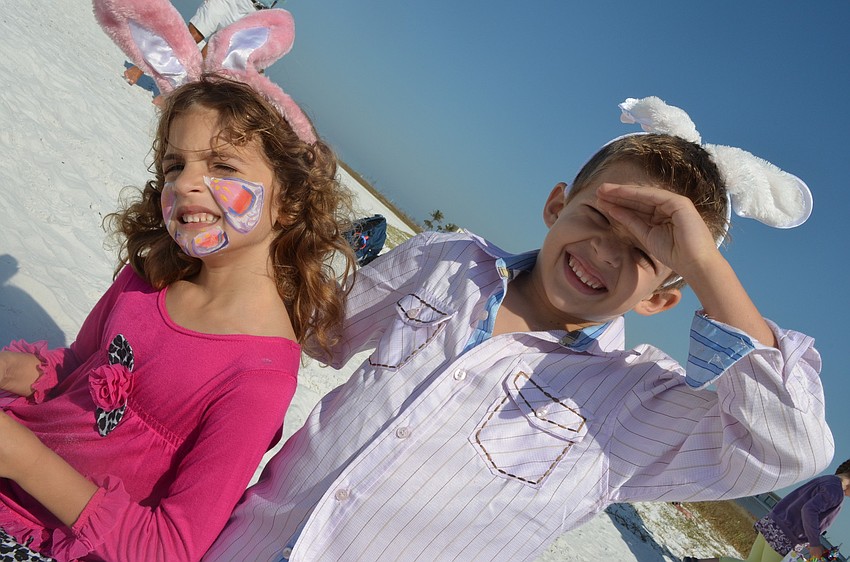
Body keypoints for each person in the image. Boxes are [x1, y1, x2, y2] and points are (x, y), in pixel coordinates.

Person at [204, 96, 833, 562]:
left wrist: (704, 261)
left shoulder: (635, 403)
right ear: (557, 205)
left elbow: (791, 448)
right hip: (243, 544)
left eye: (645, 252)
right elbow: (311, 333)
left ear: (665, 297)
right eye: (600, 217)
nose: (606, 253)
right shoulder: (449, 262)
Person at [0, 2, 354, 560]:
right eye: (174, 165)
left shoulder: (259, 375)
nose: (188, 183)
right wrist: (9, 371)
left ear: (289, 200)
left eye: (223, 166)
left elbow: (171, 546)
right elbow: (76, 371)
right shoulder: (150, 276)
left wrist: (20, 458)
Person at [686, 459, 850, 562]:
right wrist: (815, 544)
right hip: (787, 536)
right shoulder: (836, 492)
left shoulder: (827, 480)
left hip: (773, 524)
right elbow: (809, 510)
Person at [123, 0, 277, 87]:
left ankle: (177, 94)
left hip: (254, 11)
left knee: (211, 55)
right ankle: (140, 68)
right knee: (190, 37)